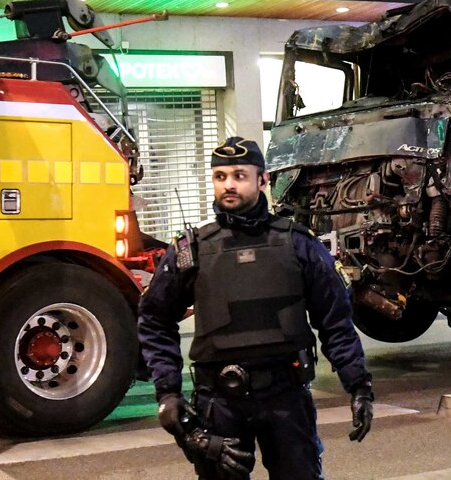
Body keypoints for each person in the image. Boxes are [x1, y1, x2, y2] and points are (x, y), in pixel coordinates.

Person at [138, 136, 373, 480]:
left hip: (286, 398)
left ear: (262, 180)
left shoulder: (298, 245)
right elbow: (154, 319)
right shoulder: (192, 251)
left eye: (239, 175)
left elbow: (335, 321)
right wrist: (168, 393)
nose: (228, 184)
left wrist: (359, 386)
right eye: (220, 177)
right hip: (220, 402)